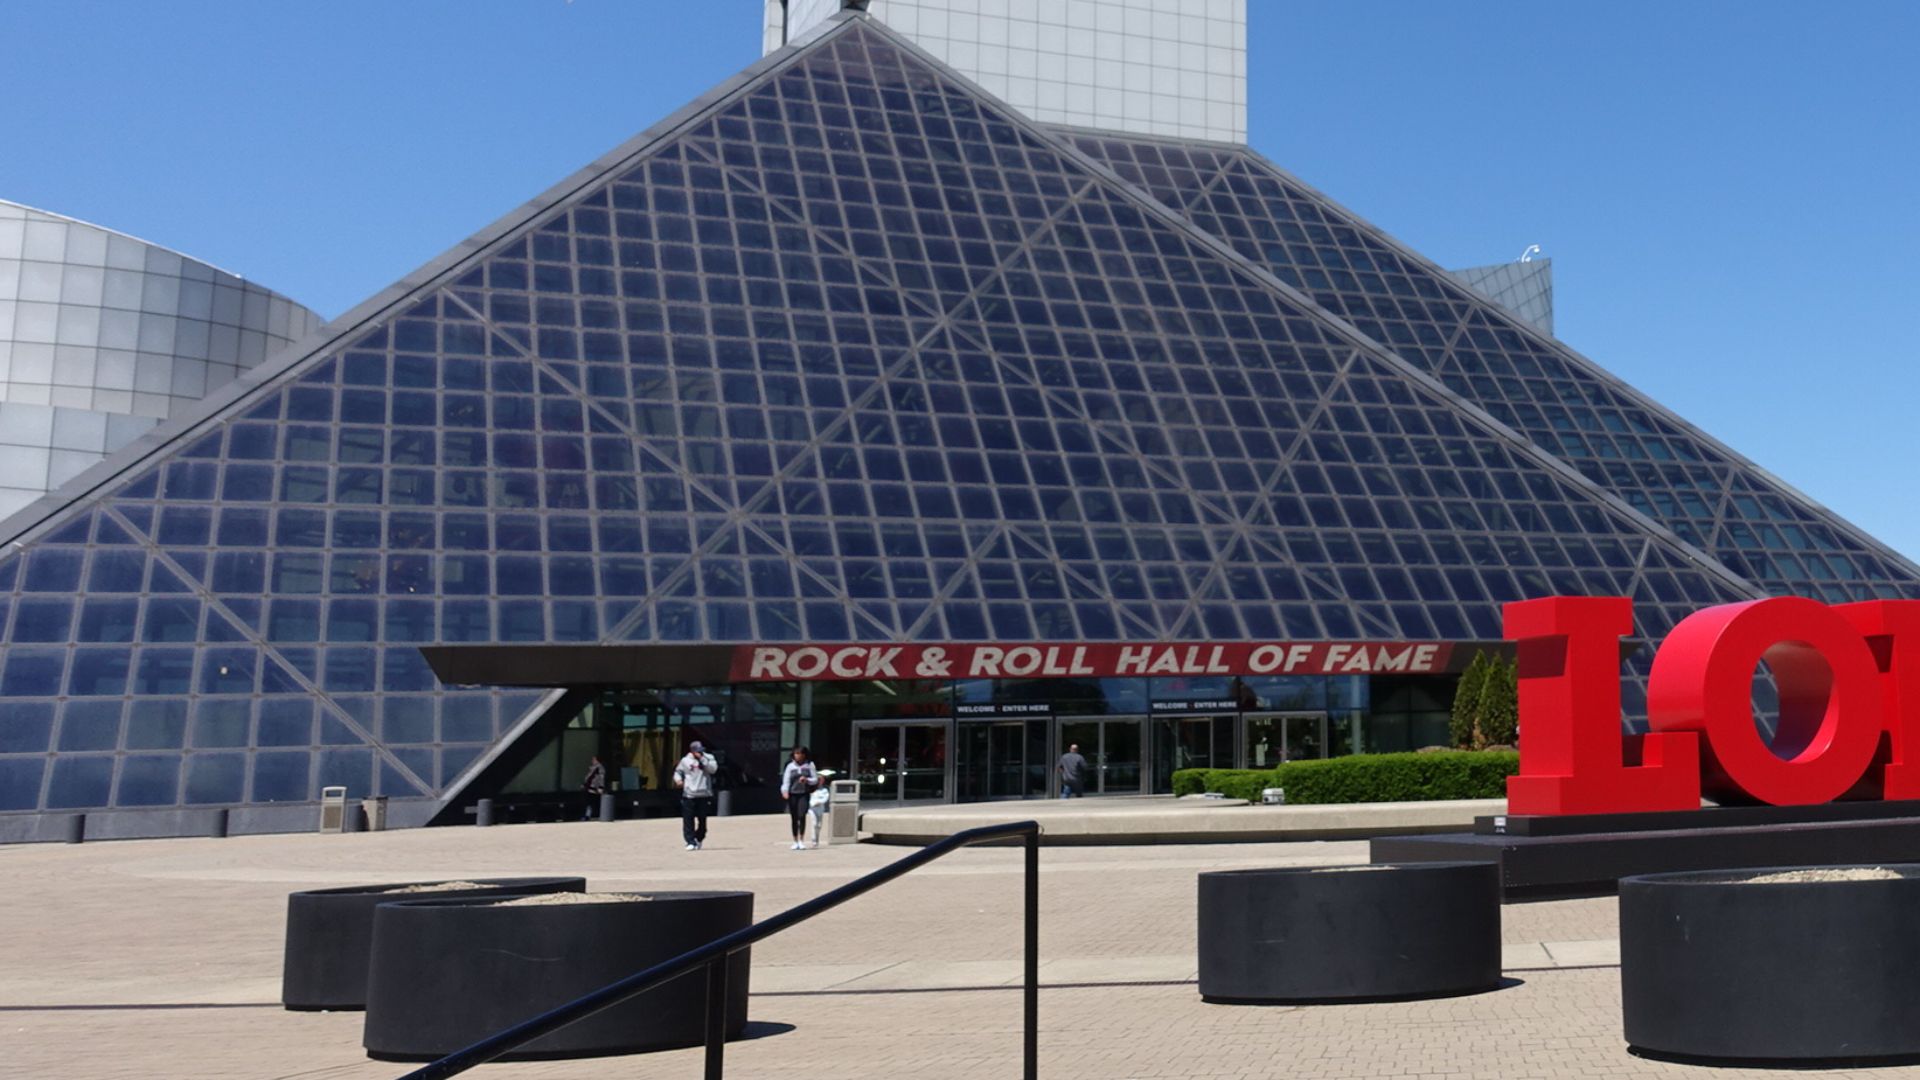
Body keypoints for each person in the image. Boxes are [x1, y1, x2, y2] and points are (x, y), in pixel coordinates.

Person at [673, 740, 718, 850]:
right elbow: (678, 772)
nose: (699, 753)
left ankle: (699, 837)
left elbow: (713, 770)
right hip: (689, 794)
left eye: (701, 751)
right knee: (688, 819)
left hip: (704, 793)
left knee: (702, 820)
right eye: (697, 751)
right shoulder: (685, 760)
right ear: (692, 751)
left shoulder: (709, 757)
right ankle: (690, 841)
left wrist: (702, 759)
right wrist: (678, 780)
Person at [779, 747, 819, 851]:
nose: (797, 756)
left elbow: (815, 779)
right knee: (794, 817)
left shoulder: (809, 765)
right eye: (795, 754)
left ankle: (801, 840)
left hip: (803, 793)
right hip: (793, 794)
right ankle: (795, 840)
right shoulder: (790, 766)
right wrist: (784, 791)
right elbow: (786, 780)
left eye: (799, 754)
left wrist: (807, 780)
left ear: (804, 755)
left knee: (802, 816)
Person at [581, 755, 606, 821]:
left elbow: (601, 778)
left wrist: (601, 787)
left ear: (597, 760)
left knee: (591, 802)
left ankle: (589, 815)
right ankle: (588, 815)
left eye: (593, 759)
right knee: (589, 802)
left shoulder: (599, 768)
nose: (592, 761)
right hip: (590, 788)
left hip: (593, 788)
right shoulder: (594, 768)